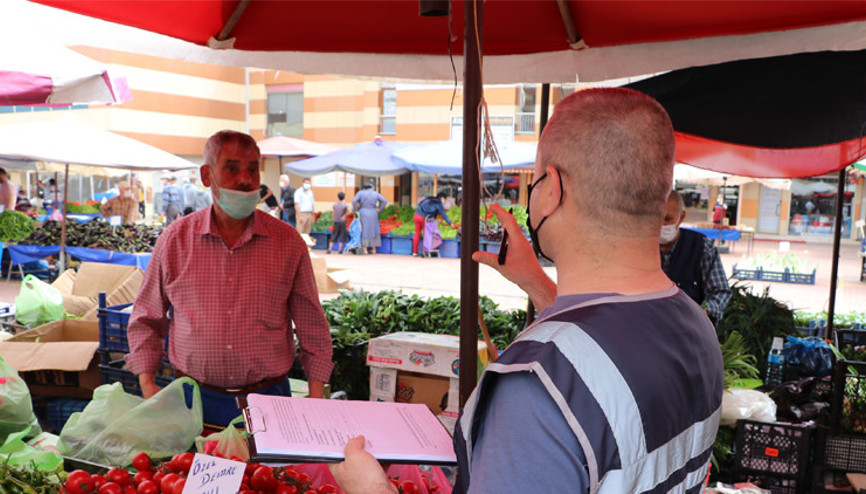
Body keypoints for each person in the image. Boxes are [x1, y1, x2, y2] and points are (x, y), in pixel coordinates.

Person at [330, 88, 723, 493]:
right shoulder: (695, 325)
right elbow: (609, 359)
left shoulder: (537, 388)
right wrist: (535, 280)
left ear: (551, 188)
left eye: (534, 181)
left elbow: (587, 373)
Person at [125, 130, 334, 428]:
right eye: (232, 168)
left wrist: (316, 395)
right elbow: (148, 316)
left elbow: (312, 323)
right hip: (192, 400)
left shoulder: (288, 243)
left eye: (252, 169)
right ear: (207, 175)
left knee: (267, 476)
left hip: (269, 400)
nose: (245, 179)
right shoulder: (175, 240)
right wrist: (147, 384)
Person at [660, 190, 732, 326]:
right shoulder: (641, 247)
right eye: (657, 218)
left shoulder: (702, 247)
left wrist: (704, 312)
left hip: (688, 328)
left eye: (668, 219)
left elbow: (720, 291)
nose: (662, 225)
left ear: (681, 217)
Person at [351, 181, 388, 255]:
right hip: (373, 213)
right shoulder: (375, 193)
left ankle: (365, 249)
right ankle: (374, 249)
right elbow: (384, 201)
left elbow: (354, 201)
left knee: (364, 230)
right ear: (371, 187)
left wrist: (355, 210)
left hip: (363, 212)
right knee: (374, 230)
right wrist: (380, 209)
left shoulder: (360, 193)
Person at [412, 191, 453, 257]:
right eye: (444, 199)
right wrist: (450, 223)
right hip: (424, 218)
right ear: (442, 198)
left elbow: (420, 204)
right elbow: (443, 214)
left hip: (416, 215)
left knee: (417, 233)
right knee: (427, 234)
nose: (444, 201)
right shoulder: (439, 203)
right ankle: (425, 252)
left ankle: (414, 252)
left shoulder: (429, 198)